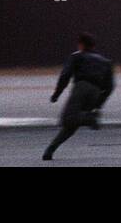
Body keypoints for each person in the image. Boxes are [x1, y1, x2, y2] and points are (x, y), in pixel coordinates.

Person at [43, 32, 114, 160]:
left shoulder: (77, 57)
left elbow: (65, 76)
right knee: (71, 125)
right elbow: (110, 87)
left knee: (67, 119)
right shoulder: (106, 62)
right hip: (96, 91)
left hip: (81, 88)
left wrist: (56, 94)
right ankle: (50, 151)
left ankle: (89, 119)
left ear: (81, 45)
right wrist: (98, 104)